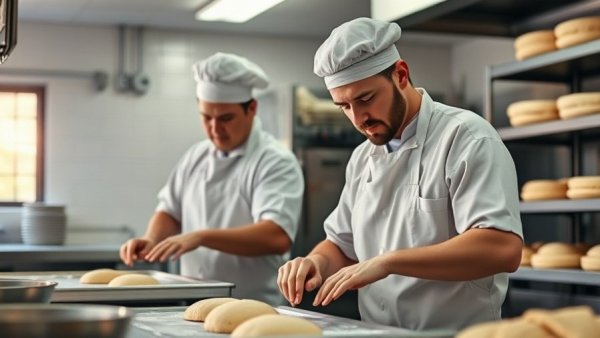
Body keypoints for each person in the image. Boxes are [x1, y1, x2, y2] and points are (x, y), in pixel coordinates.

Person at [276, 17, 523, 331]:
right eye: (344, 107)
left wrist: (389, 262)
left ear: (401, 75)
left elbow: (501, 248)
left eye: (366, 99)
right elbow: (340, 244)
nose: (359, 118)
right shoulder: (362, 157)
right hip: (378, 332)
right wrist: (314, 262)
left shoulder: (465, 138)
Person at [120, 52, 304, 305]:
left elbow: (275, 236)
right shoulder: (196, 156)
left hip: (253, 306)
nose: (215, 129)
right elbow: (170, 212)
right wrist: (151, 239)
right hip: (195, 302)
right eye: (206, 117)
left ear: (251, 109)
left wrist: (201, 236)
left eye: (226, 118)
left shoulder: (274, 160)